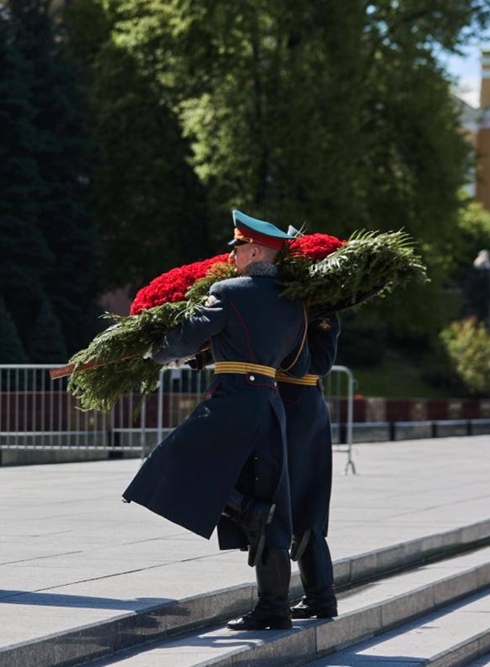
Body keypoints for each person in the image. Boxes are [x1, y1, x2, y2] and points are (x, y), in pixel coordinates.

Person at [122, 209, 308, 631]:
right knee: (274, 503)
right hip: (270, 402)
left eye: (239, 248)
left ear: (256, 250)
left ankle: (245, 511)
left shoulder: (230, 290)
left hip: (231, 400)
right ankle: (274, 606)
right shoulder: (295, 303)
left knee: (173, 462)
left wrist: (156, 350)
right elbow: (299, 363)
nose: (233, 255)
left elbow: (188, 335)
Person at [278, 313, 341, 619]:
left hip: (299, 406)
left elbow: (320, 363)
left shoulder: (319, 311)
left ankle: (320, 595)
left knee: (305, 500)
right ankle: (320, 595)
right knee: (301, 501)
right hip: (290, 403)